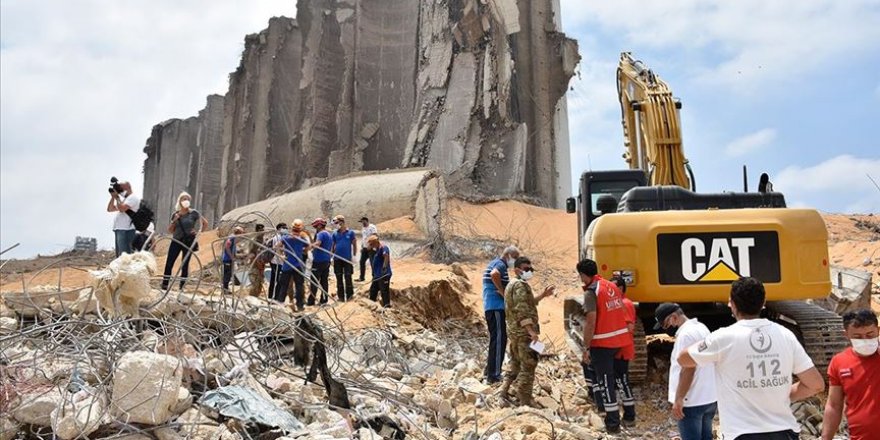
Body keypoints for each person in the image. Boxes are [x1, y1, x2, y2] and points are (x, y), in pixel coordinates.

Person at [678, 277, 825, 440]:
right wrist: (782, 394)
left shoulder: (723, 337)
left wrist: (706, 341)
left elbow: (683, 359)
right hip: (785, 432)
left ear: (731, 304)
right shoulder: (785, 335)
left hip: (742, 433)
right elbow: (816, 385)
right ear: (763, 303)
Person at [577, 259, 632, 433]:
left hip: (602, 343)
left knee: (605, 382)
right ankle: (629, 416)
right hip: (620, 341)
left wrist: (586, 347)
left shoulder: (591, 292)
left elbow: (591, 321)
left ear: (584, 275)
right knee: (619, 380)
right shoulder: (611, 286)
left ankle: (613, 423)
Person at [654, 303, 717, 440]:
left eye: (666, 325)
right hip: (709, 397)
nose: (667, 329)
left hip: (692, 400)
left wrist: (679, 399)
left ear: (674, 317)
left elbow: (688, 369)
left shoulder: (685, 336)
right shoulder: (701, 327)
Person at [499, 257, 555, 406]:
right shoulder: (521, 286)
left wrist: (543, 295)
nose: (529, 272)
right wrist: (531, 332)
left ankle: (503, 392)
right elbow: (522, 310)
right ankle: (524, 400)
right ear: (517, 270)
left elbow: (527, 303)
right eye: (526, 269)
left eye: (531, 269)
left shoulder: (512, 284)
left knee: (516, 364)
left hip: (514, 332)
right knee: (529, 364)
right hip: (523, 334)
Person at [821, 309, 880, 440]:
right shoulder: (839, 362)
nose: (865, 340)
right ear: (846, 334)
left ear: (878, 330)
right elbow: (834, 405)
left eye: (870, 334)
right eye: (858, 337)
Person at [482, 245, 520, 384]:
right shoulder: (500, 264)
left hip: (492, 307)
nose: (515, 261)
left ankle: (489, 371)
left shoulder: (495, 263)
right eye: (515, 258)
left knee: (496, 339)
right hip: (495, 307)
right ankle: (494, 375)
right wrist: (503, 292)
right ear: (508, 255)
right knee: (499, 340)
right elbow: (494, 274)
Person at [161, 192, 208, 290]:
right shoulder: (176, 214)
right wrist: (174, 220)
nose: (185, 201)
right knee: (170, 262)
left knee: (185, 263)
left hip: (188, 241)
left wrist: (198, 232)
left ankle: (182, 286)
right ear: (180, 201)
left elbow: (205, 223)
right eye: (183, 199)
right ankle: (165, 284)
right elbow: (170, 230)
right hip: (176, 241)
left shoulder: (194, 213)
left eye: (187, 199)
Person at [275, 219, 311, 310]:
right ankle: (300, 305)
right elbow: (309, 246)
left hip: (287, 265)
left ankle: (280, 304)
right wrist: (303, 251)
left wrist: (281, 255)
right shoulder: (301, 239)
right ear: (300, 229)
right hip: (298, 265)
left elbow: (277, 246)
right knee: (299, 286)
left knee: (284, 285)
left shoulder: (286, 237)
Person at [106, 180, 141, 257]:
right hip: (120, 229)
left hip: (126, 230)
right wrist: (113, 197)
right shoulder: (126, 199)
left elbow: (122, 209)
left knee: (125, 256)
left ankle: (126, 269)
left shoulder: (133, 198)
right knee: (120, 256)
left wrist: (117, 198)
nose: (120, 188)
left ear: (127, 187)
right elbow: (110, 209)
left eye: (121, 186)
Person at [331, 215, 357, 302]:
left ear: (342, 222)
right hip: (337, 259)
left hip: (347, 259)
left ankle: (350, 296)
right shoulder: (334, 233)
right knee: (339, 278)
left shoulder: (350, 233)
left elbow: (354, 244)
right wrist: (331, 256)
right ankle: (341, 297)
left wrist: (354, 256)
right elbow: (333, 245)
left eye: (337, 223)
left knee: (348, 277)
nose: (336, 225)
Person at [308, 218, 332, 305]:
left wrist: (309, 247)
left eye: (315, 226)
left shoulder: (321, 234)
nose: (315, 228)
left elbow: (317, 243)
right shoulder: (329, 234)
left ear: (319, 225)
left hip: (318, 261)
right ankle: (324, 300)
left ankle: (311, 301)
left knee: (314, 281)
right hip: (327, 260)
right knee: (324, 281)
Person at [366, 234, 392, 307]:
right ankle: (371, 304)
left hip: (383, 274)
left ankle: (387, 306)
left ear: (375, 242)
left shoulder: (383, 247)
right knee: (373, 290)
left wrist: (384, 267)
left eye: (372, 244)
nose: (371, 245)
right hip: (377, 275)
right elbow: (368, 249)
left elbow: (386, 256)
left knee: (384, 290)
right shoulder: (377, 249)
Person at [246, 224, 268, 297]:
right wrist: (257, 262)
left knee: (259, 285)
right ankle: (251, 299)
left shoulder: (263, 241)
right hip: (255, 265)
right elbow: (251, 254)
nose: (262, 232)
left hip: (261, 265)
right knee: (254, 285)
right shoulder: (254, 241)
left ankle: (256, 299)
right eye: (260, 231)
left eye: (263, 230)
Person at [221, 226, 245, 293]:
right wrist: (231, 256)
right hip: (227, 259)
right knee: (227, 275)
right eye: (241, 232)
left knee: (228, 274)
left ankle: (225, 288)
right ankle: (225, 289)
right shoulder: (232, 237)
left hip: (228, 259)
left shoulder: (234, 237)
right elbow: (227, 246)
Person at [267, 223, 288, 299]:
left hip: (274, 261)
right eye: (284, 228)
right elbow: (277, 248)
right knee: (279, 281)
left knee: (273, 280)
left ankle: (270, 297)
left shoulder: (277, 237)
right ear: (279, 229)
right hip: (277, 262)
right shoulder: (279, 237)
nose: (286, 229)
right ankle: (276, 297)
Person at [357, 216, 378, 282]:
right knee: (362, 262)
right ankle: (362, 277)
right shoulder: (363, 228)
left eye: (363, 221)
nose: (362, 223)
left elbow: (375, 236)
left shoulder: (372, 227)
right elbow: (364, 238)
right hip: (365, 248)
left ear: (366, 220)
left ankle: (375, 277)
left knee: (373, 262)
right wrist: (362, 246)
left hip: (371, 248)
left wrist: (371, 245)